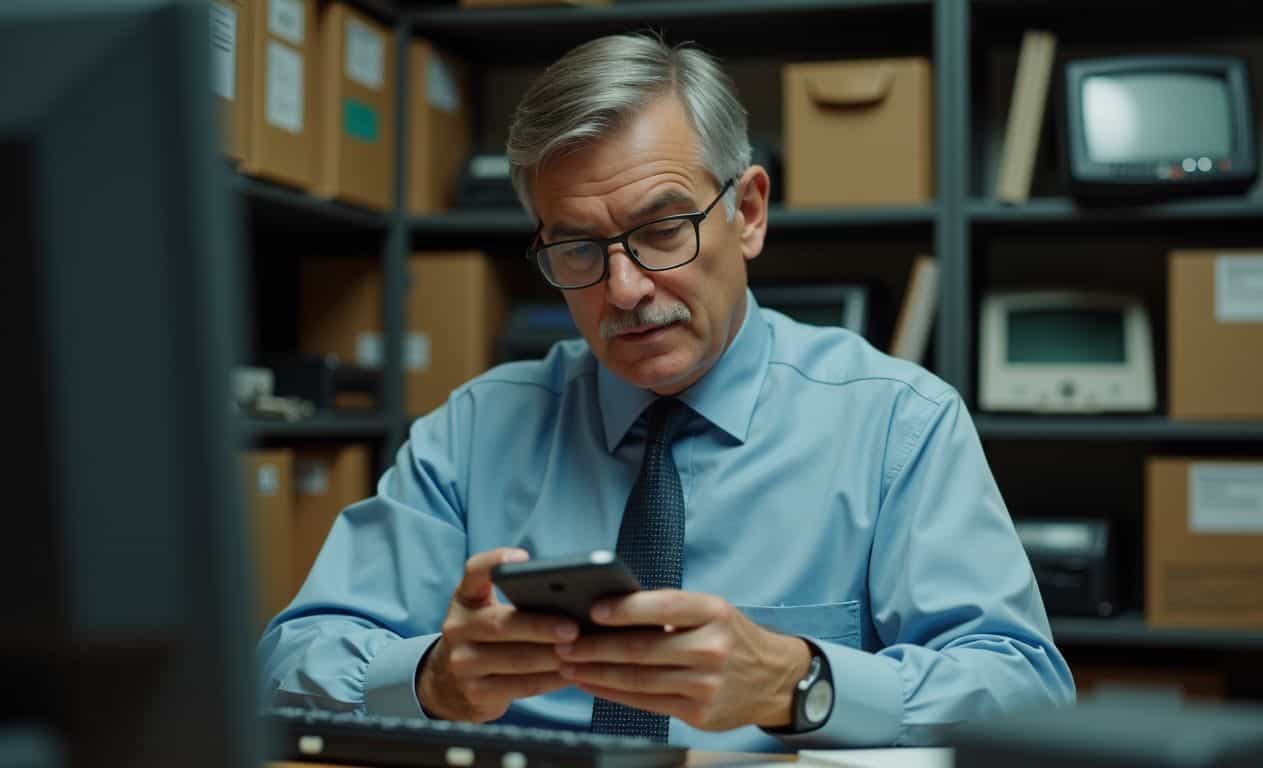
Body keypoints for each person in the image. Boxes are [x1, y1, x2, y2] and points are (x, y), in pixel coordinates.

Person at [258, 32, 1075, 751]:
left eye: (659, 231)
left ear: (748, 213)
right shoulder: (475, 430)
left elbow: (1026, 693)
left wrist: (798, 682)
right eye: (577, 248)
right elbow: (285, 664)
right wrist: (434, 676)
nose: (623, 289)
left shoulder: (898, 421)